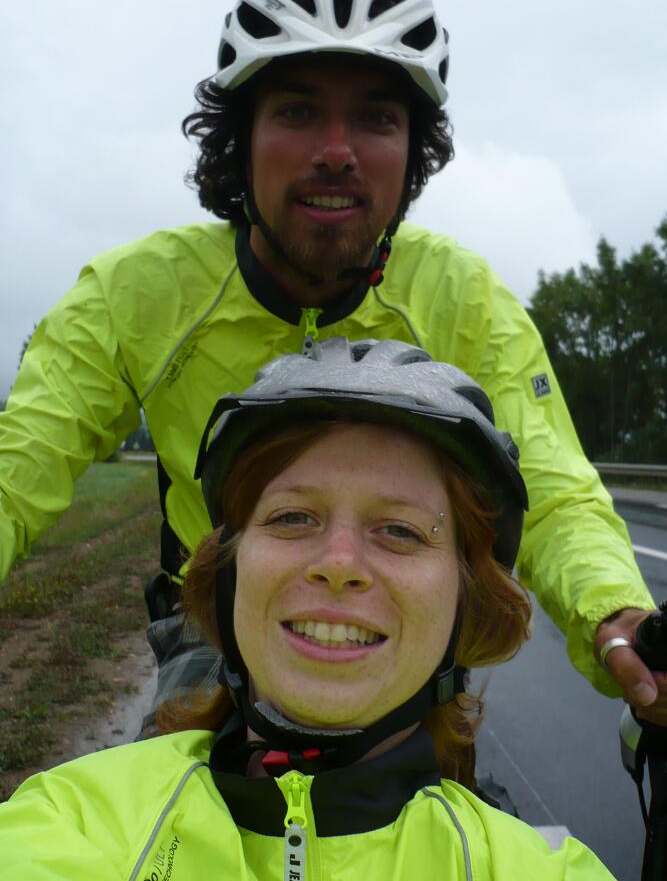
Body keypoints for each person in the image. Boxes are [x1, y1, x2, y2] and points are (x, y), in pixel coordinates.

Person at [0, 0, 662, 724]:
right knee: (173, 787)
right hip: (216, 614)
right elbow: (21, 463)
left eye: (376, 119)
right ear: (239, 140)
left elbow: (548, 486)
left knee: (431, 794)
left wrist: (612, 612)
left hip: (398, 615)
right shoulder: (134, 293)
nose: (336, 151)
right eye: (296, 112)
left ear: (412, 154)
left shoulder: (462, 298)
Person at [0, 339, 616, 879]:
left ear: (465, 599)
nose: (339, 563)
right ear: (228, 573)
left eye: (401, 530)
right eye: (292, 517)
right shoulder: (74, 822)